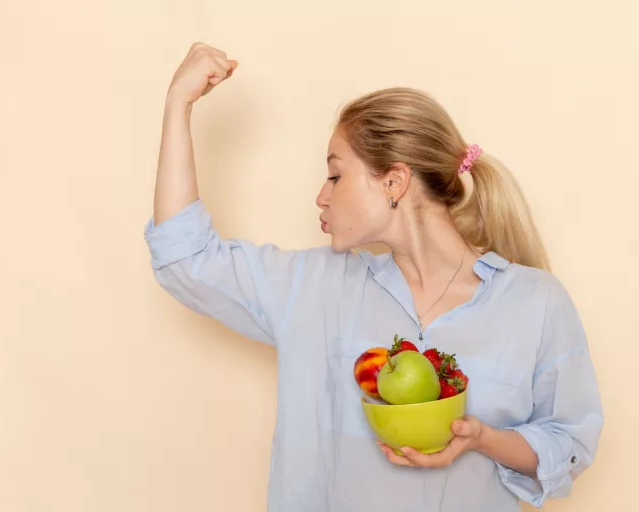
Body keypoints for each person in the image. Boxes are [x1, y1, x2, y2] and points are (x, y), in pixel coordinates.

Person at [144, 42, 604, 512]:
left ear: (394, 182)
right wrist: (178, 104)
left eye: (336, 176)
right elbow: (186, 258)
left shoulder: (535, 303)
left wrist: (482, 439)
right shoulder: (312, 287)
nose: (321, 197)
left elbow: (567, 442)